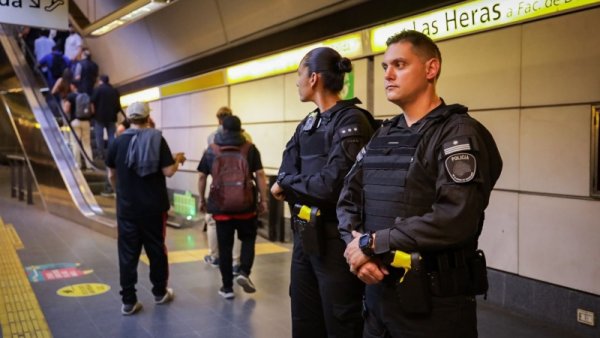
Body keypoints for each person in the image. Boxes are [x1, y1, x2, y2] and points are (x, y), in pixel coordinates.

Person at [337, 30, 503, 338]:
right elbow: (347, 198)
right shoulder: (382, 135)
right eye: (385, 66)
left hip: (434, 305)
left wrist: (371, 243)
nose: (388, 74)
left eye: (399, 65)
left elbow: (456, 217)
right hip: (377, 298)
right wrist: (355, 249)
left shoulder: (458, 133)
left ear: (431, 69)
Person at [270, 46, 377, 338]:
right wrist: (292, 182)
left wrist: (291, 185)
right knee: (304, 319)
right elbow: (284, 170)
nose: (297, 82)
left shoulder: (352, 121)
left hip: (335, 242)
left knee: (340, 321)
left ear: (313, 77)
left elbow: (332, 186)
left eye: (299, 74)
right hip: (305, 238)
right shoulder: (308, 123)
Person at [106, 101, 186, 315]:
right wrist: (177, 159)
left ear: (130, 118)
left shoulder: (117, 142)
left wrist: (120, 193)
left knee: (127, 254)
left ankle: (128, 301)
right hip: (153, 207)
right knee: (156, 249)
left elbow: (111, 175)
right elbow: (168, 171)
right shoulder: (157, 138)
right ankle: (160, 292)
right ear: (147, 116)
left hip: (127, 208)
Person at [197, 115, 268, 299]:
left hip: (221, 209)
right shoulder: (249, 148)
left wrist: (202, 200)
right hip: (246, 207)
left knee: (225, 247)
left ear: (222, 129)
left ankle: (227, 288)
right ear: (241, 130)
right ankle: (244, 272)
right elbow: (259, 174)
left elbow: (202, 176)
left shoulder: (211, 150)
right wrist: (264, 200)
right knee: (248, 240)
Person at [202, 106, 251, 271]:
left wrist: (202, 198)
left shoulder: (212, 138)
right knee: (239, 226)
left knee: (213, 223)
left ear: (218, 120)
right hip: (241, 190)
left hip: (219, 190)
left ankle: (215, 256)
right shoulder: (246, 137)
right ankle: (236, 262)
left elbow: (205, 169)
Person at [63, 81, 93, 170]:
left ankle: (78, 164)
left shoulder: (70, 96)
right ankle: (90, 165)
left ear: (72, 86)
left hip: (75, 121)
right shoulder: (85, 96)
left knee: (75, 143)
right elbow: (92, 109)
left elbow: (66, 110)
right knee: (87, 144)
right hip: (86, 122)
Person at [91, 74, 122, 159]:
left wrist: (93, 114)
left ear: (100, 80)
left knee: (99, 136)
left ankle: (101, 155)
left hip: (99, 117)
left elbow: (92, 101)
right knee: (112, 136)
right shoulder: (114, 90)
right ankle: (112, 154)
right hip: (112, 117)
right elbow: (118, 105)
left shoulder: (98, 89)